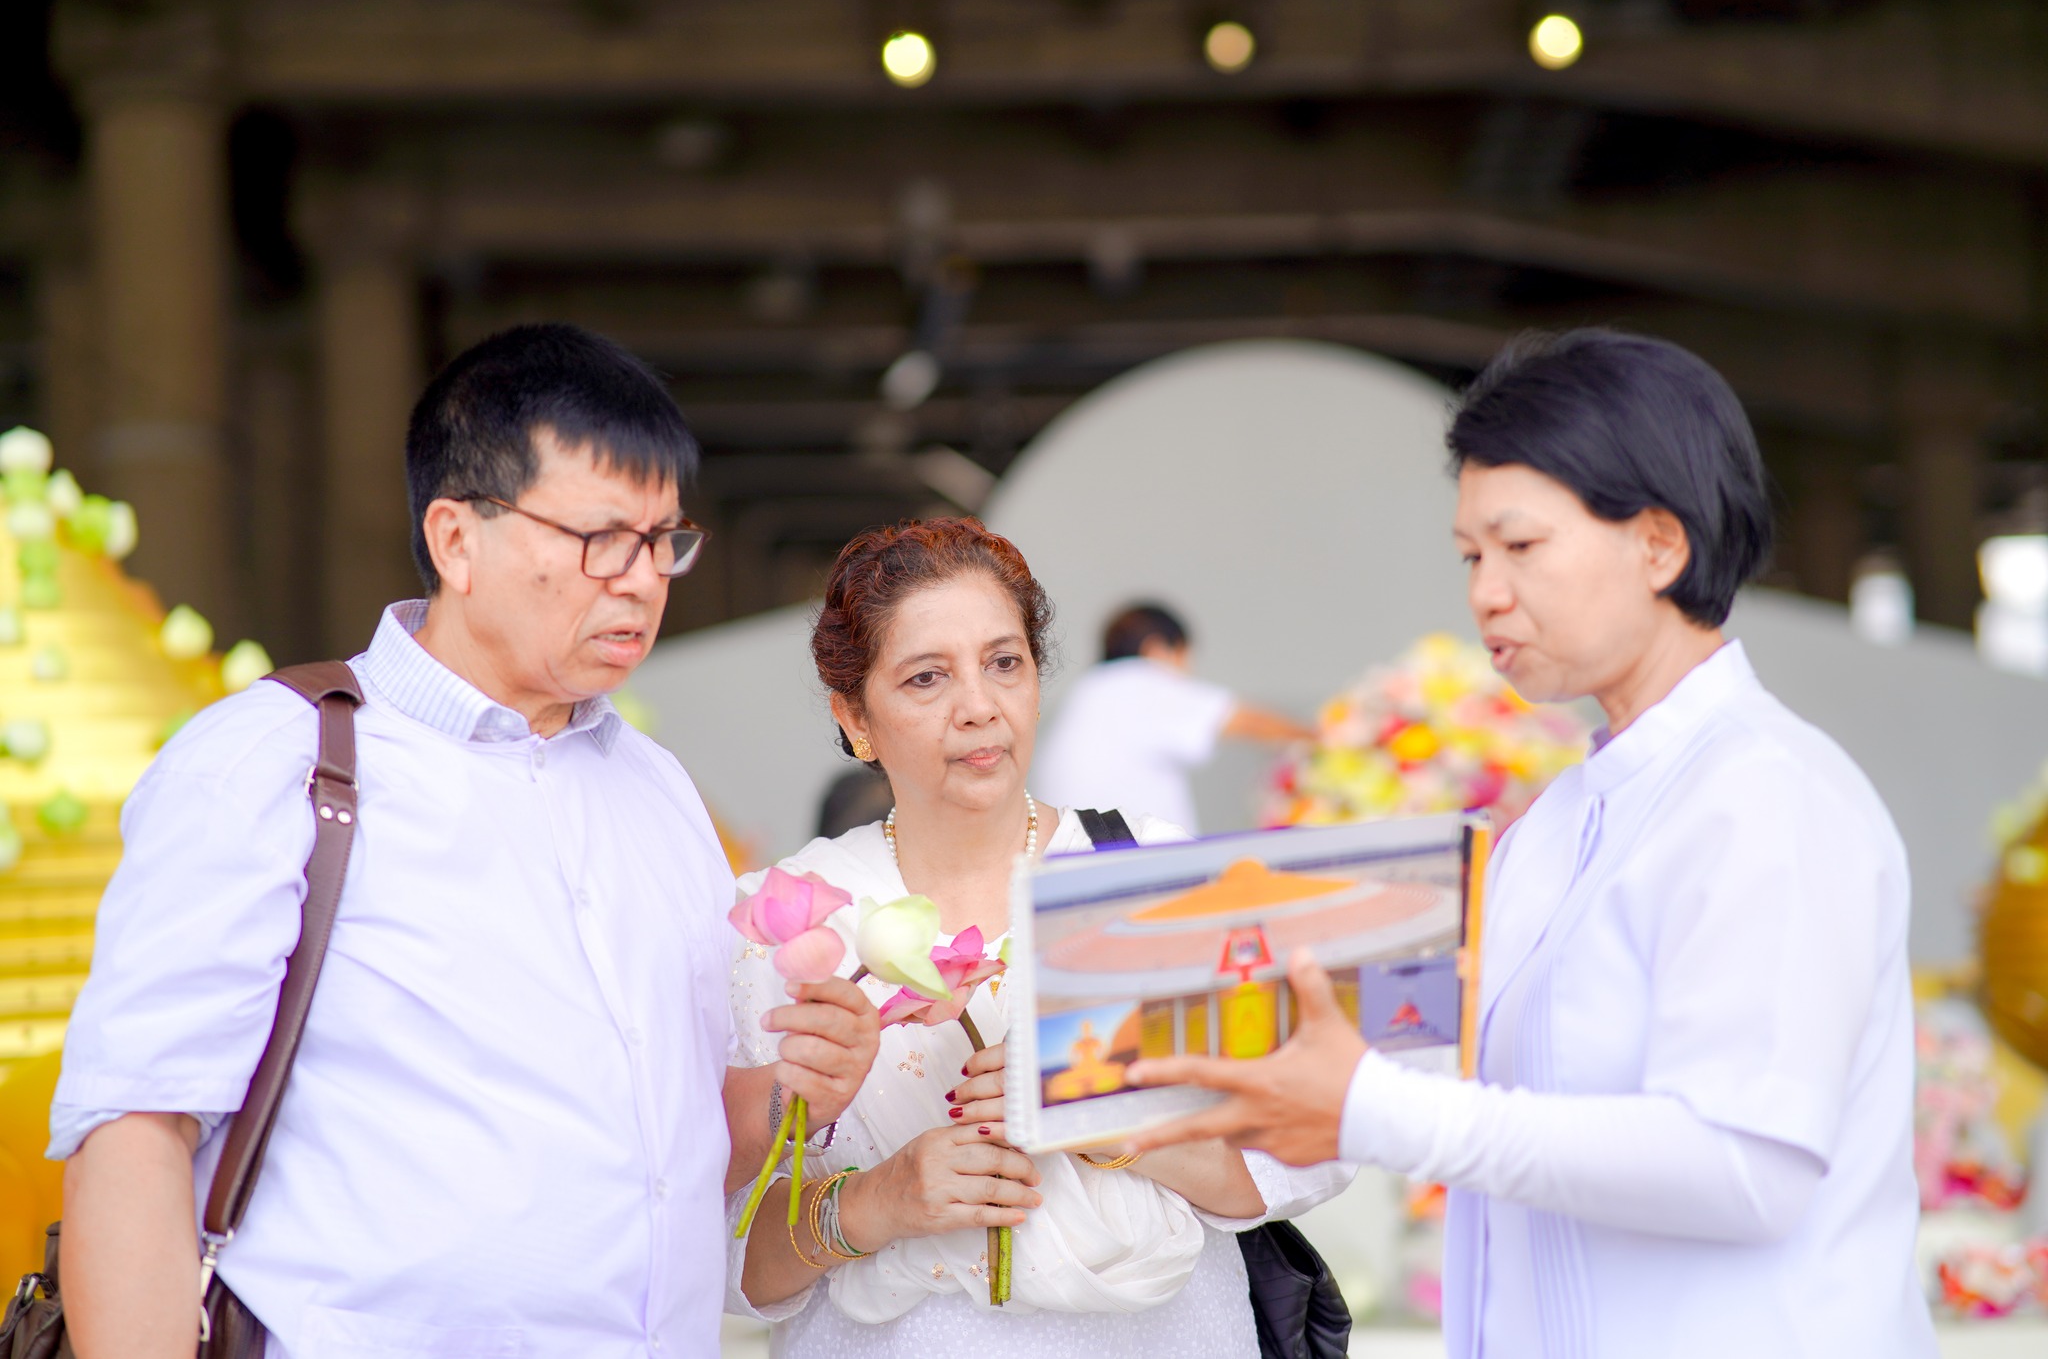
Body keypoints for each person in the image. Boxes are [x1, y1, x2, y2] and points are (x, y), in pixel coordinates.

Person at [49, 324, 878, 1359]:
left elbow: (665, 1147)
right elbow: (134, 1134)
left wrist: (787, 1091)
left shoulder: (657, 791)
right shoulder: (274, 762)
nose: (641, 579)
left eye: (664, 540)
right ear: (455, 539)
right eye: (600, 539)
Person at [1124, 330, 1935, 1358]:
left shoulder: (1766, 797)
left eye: (1519, 546)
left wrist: (1382, 1111)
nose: (1484, 594)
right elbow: (1400, 1072)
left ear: (1657, 544)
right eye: (1470, 555)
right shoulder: (1556, 822)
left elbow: (1744, 1168)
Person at [729, 518, 1349, 1357]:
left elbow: (1298, 1154)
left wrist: (1113, 1118)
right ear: (855, 717)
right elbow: (731, 1266)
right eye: (925, 677)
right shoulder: (793, 921)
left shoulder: (1151, 871)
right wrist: (879, 1199)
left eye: (1004, 662)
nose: (978, 707)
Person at [1034, 603, 1312, 832]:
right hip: (1135, 866)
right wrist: (1325, 737)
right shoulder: (1142, 680)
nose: (1187, 674)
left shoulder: (1086, 692)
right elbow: (1249, 722)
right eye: (1184, 657)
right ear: (1157, 649)